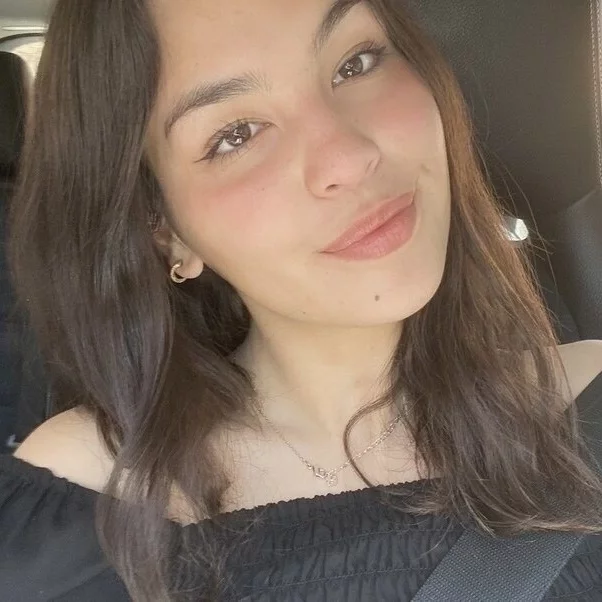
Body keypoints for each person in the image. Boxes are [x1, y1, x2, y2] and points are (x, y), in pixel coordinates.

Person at [2, 0, 602, 600]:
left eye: (355, 63)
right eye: (235, 136)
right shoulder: (91, 501)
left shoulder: (590, 393)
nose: (350, 157)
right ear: (165, 231)